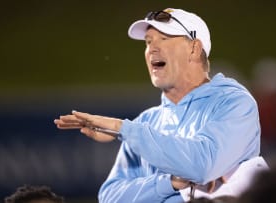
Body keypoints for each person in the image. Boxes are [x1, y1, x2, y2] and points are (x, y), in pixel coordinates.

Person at [54, 8, 261, 203]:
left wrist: (121, 128)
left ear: (194, 49)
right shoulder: (147, 121)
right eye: (148, 41)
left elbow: (202, 165)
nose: (152, 48)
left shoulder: (233, 104)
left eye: (165, 38)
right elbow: (110, 196)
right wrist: (169, 183)